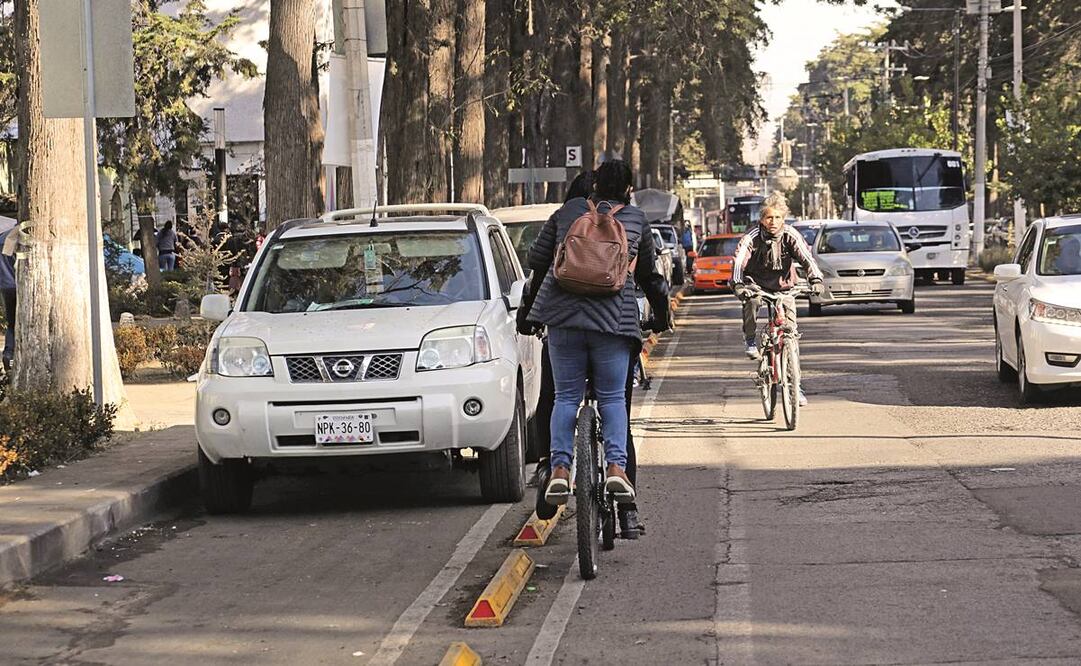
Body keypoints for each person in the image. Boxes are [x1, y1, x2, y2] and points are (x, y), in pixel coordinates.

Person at [519, 170, 671, 537]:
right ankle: (618, 475)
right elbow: (650, 275)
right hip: (613, 324)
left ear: (596, 186)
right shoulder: (635, 219)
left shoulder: (568, 211)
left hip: (563, 321)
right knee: (614, 400)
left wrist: (529, 314)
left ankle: (558, 469)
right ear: (630, 190)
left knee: (565, 398)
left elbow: (537, 262)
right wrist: (662, 316)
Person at [731, 194, 823, 406]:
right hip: (756, 284)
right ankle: (751, 339)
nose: (773, 222)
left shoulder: (791, 234)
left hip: (784, 287)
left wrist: (815, 278)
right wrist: (738, 284)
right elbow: (739, 262)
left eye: (778, 217)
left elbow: (807, 257)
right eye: (769, 218)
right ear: (762, 219)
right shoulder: (752, 236)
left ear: (784, 218)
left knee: (790, 333)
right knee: (752, 301)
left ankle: (795, 386)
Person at [0, 217, 17, 372]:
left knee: (12, 322)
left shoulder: (2, 239)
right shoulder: (17, 236)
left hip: (6, 285)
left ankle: (9, 353)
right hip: (20, 285)